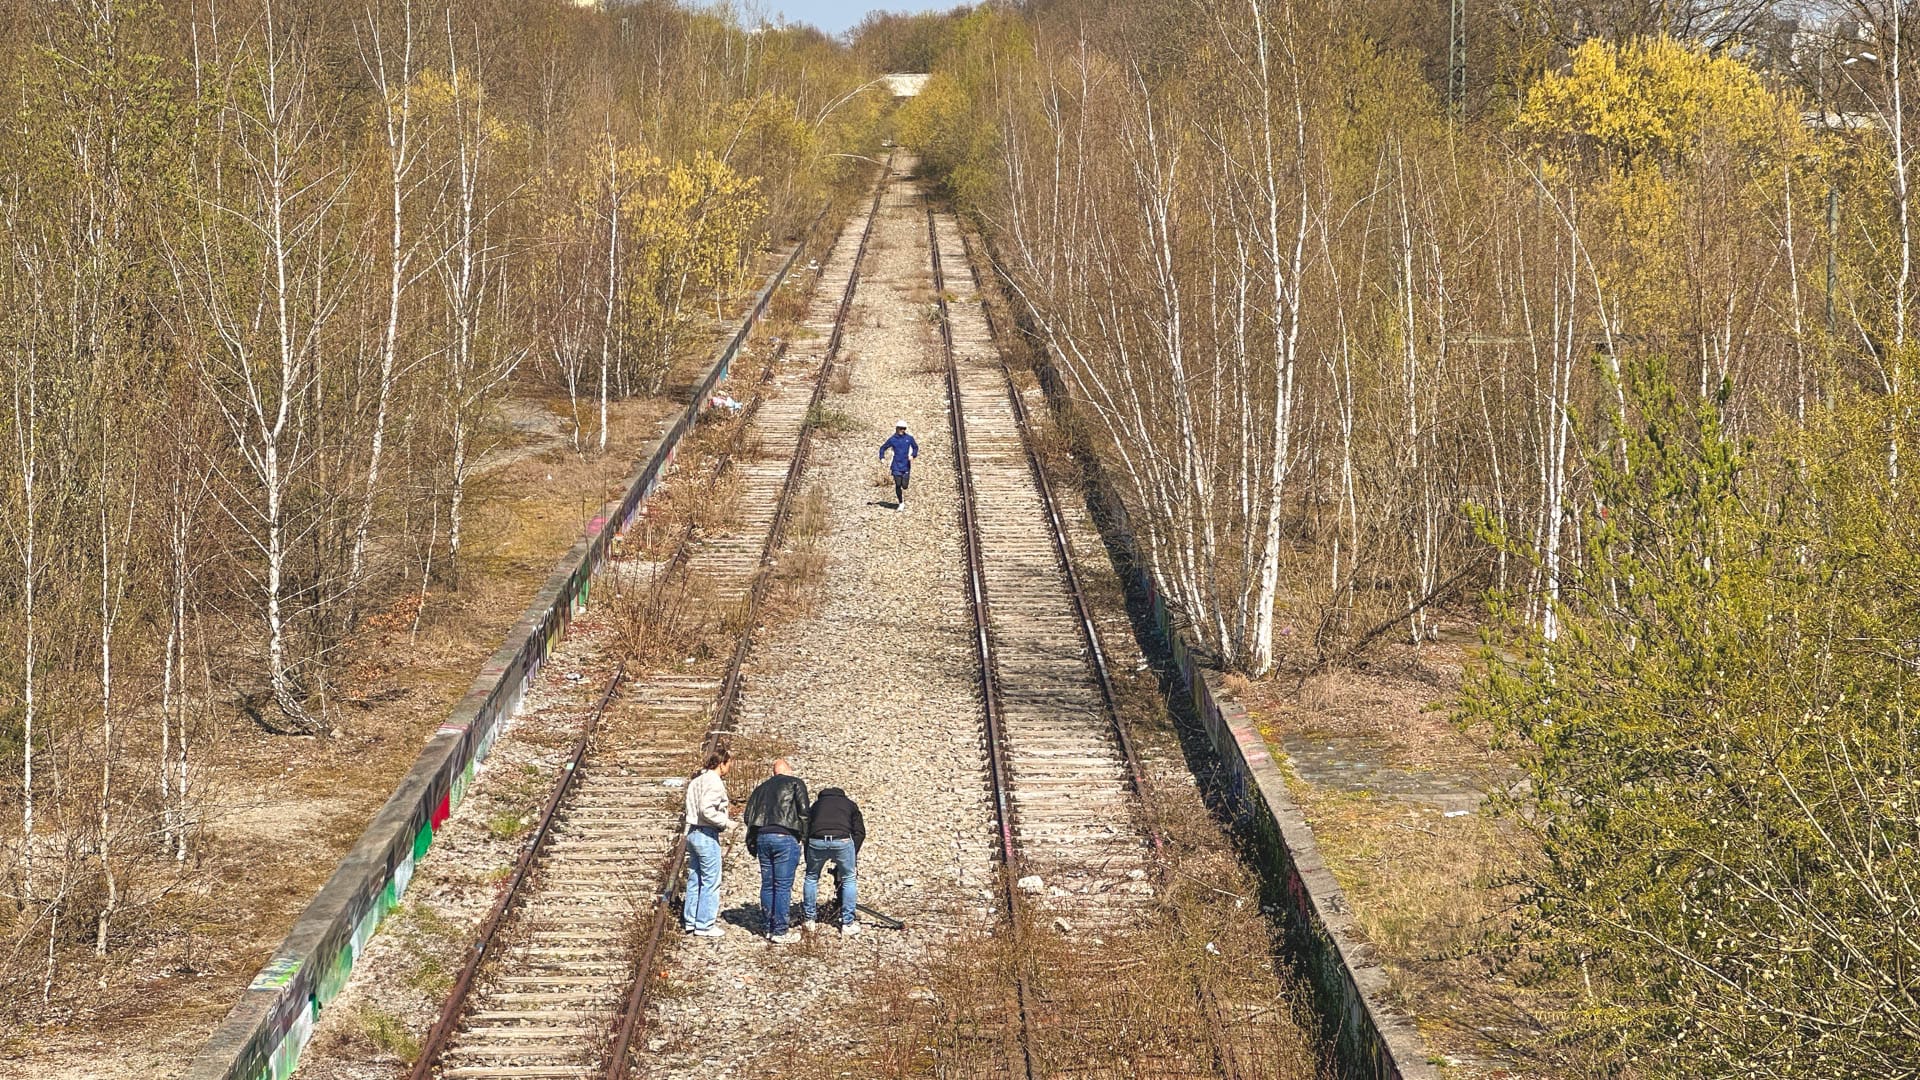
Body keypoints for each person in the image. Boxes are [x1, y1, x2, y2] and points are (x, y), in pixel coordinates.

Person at [743, 758, 810, 944]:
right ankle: (780, 930)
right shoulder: (795, 783)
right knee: (782, 885)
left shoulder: (760, 788)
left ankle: (768, 927)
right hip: (785, 837)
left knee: (767, 883)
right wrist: (803, 837)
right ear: (788, 770)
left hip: (763, 838)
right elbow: (804, 812)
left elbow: (748, 816)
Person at [681, 748, 734, 938]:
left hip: (693, 832)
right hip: (706, 833)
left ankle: (691, 920)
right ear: (722, 763)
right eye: (729, 763)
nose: (730, 767)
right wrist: (725, 822)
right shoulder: (715, 782)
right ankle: (705, 924)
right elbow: (706, 810)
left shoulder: (696, 781)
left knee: (695, 878)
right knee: (711, 880)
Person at [802, 786, 866, 937]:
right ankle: (847, 923)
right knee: (849, 878)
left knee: (811, 877)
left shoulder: (816, 806)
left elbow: (806, 830)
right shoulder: (850, 804)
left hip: (817, 840)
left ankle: (809, 920)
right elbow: (860, 832)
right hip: (842, 840)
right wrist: (852, 853)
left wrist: (807, 854)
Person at [878, 420, 919, 511]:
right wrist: (882, 458)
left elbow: (915, 447)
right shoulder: (892, 439)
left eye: (904, 428)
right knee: (898, 484)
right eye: (900, 428)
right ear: (896, 428)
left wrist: (913, 455)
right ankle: (901, 503)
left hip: (906, 465)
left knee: (905, 485)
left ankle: (902, 498)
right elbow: (883, 448)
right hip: (896, 465)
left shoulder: (909, 438)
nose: (902, 430)